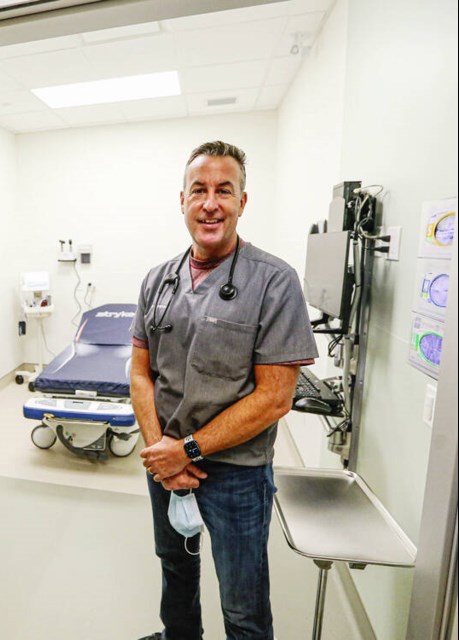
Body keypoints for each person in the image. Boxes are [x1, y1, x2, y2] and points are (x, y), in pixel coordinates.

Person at [130, 140, 318, 640]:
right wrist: (160, 452)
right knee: (175, 572)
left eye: (224, 190)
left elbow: (275, 397)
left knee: (242, 603)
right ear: (183, 200)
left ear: (242, 201)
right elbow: (140, 373)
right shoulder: (158, 280)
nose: (210, 203)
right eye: (199, 190)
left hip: (237, 474)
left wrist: (186, 450)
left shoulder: (275, 282)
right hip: (164, 463)